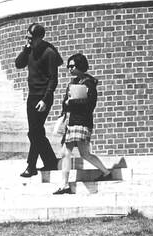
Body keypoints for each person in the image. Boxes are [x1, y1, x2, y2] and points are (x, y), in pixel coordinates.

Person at [53, 53, 114, 194]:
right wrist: (65, 107)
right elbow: (65, 102)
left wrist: (71, 102)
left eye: (72, 66)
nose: (69, 69)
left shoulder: (88, 83)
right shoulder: (74, 83)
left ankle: (64, 185)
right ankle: (105, 172)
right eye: (68, 66)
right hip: (73, 121)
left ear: (80, 65)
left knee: (66, 153)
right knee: (84, 153)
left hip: (81, 122)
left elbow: (89, 103)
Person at [16, 22, 62, 178]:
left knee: (35, 132)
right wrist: (26, 48)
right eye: (27, 37)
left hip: (43, 97)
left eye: (31, 38)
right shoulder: (29, 50)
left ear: (39, 38)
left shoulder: (49, 53)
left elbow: (53, 79)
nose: (28, 41)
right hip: (32, 95)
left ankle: (31, 165)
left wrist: (45, 99)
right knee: (35, 132)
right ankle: (50, 162)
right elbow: (18, 64)